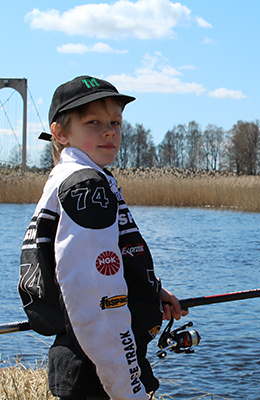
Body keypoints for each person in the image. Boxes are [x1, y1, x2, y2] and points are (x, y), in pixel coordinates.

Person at [17, 75, 188, 400]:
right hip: (100, 371)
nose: (110, 131)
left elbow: (85, 268)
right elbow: (95, 305)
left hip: (84, 362)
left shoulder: (65, 179)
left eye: (115, 122)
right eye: (93, 122)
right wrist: (129, 388)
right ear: (60, 132)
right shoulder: (86, 187)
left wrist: (148, 288)